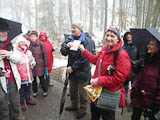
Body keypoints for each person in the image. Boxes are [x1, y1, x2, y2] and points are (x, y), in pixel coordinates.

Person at [79, 26, 131, 120]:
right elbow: (95, 60)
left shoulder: (121, 54)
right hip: (96, 91)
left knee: (107, 116)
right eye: (107, 35)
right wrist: (83, 51)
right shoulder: (105, 49)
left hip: (108, 93)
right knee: (94, 115)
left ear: (118, 38)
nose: (109, 38)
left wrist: (99, 80)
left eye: (112, 36)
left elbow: (119, 78)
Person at [60, 23, 95, 119]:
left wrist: (73, 67)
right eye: (71, 27)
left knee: (83, 93)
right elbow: (63, 52)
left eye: (74, 28)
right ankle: (74, 105)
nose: (72, 29)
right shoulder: (69, 39)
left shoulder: (88, 41)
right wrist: (66, 46)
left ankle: (83, 109)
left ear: (80, 29)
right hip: (72, 71)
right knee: (72, 90)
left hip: (83, 71)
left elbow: (85, 58)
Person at [130, 32, 160, 120]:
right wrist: (134, 64)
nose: (148, 46)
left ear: (158, 47)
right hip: (138, 97)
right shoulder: (145, 59)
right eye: (148, 44)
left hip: (151, 100)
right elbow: (135, 70)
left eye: (152, 44)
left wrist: (157, 103)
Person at [0, 19, 25, 120]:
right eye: (1, 31)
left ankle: (17, 116)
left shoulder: (11, 45)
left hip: (12, 79)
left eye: (6, 31)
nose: (4, 33)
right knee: (2, 103)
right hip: (1, 81)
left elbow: (19, 60)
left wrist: (9, 54)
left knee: (15, 100)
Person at [16, 36, 36, 111]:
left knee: (28, 88)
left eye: (24, 42)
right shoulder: (16, 52)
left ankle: (28, 99)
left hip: (28, 74)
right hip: (20, 75)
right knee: (21, 90)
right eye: (21, 42)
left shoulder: (28, 52)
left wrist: (33, 62)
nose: (23, 43)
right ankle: (21, 103)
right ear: (18, 44)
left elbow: (32, 59)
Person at [29, 31, 48, 97]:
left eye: (34, 36)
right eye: (31, 36)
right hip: (32, 65)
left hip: (40, 65)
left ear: (37, 37)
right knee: (33, 80)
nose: (33, 38)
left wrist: (46, 66)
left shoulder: (40, 44)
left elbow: (45, 55)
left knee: (42, 79)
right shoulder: (28, 45)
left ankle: (45, 90)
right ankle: (35, 91)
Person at [123, 31, 138, 106]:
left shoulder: (136, 47)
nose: (129, 38)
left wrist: (135, 62)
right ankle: (124, 100)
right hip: (125, 69)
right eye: (127, 36)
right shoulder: (123, 47)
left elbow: (140, 58)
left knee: (134, 86)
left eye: (130, 36)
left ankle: (132, 102)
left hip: (134, 70)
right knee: (124, 86)